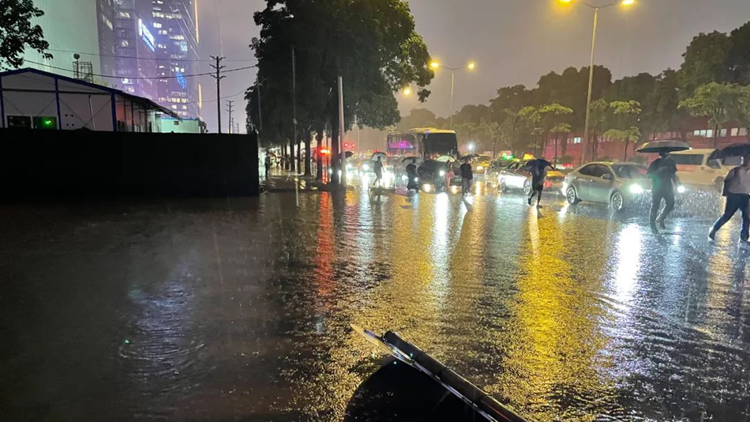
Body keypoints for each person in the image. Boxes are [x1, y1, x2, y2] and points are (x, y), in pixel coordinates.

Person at [709, 153, 750, 243]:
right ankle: (713, 230)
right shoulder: (735, 170)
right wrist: (724, 193)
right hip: (733, 195)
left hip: (745, 196)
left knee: (746, 217)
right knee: (727, 216)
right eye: (746, 158)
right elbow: (727, 181)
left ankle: (744, 237)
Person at [647, 151, 678, 232]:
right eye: (667, 155)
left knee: (670, 204)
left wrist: (676, 185)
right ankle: (652, 223)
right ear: (662, 155)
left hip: (668, 187)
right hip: (657, 187)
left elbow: (673, 175)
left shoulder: (671, 163)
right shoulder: (655, 163)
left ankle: (661, 218)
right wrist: (658, 171)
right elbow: (648, 175)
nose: (668, 156)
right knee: (655, 206)